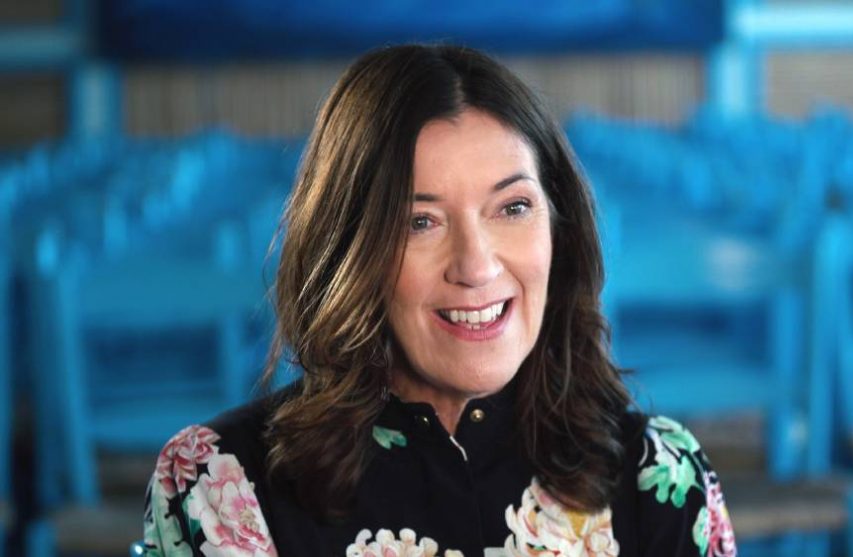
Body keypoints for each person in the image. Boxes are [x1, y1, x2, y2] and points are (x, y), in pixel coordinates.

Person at [142, 44, 736, 557]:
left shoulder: (659, 478)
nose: (476, 266)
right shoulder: (221, 488)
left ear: (561, 230)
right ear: (349, 248)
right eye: (419, 222)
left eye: (512, 207)